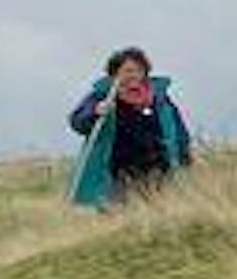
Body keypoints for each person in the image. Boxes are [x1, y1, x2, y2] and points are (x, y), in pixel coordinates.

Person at [67, 47, 193, 209]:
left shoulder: (160, 98)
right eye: (127, 71)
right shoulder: (102, 95)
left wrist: (184, 158)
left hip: (159, 168)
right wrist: (95, 111)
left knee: (159, 212)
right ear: (115, 74)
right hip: (118, 172)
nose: (133, 75)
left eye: (138, 70)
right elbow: (77, 121)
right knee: (119, 213)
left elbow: (179, 131)